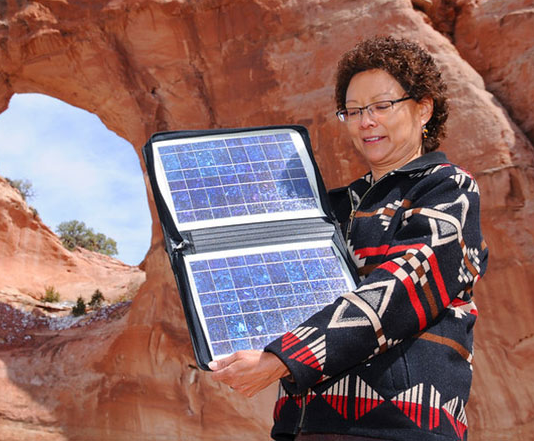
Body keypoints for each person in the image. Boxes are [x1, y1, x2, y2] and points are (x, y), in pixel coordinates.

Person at [209, 36, 488, 441]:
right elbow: (281, 295)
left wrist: (285, 359)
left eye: (381, 106)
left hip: (399, 428)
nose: (365, 121)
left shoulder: (448, 189)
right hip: (300, 426)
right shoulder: (331, 209)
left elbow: (400, 291)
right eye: (353, 111)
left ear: (423, 108)